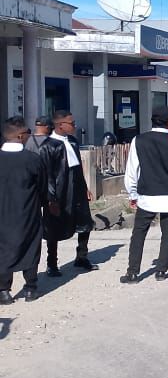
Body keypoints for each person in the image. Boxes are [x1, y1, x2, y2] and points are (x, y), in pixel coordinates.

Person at [121, 106, 168, 284]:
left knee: (138, 233)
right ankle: (161, 271)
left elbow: (132, 170)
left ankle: (133, 273)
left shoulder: (139, 140)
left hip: (147, 196)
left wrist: (133, 193)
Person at [0, 117, 46, 304]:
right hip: (27, 212)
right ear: (19, 136)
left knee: (2, 249)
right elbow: (42, 187)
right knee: (31, 247)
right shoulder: (32, 160)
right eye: (27, 133)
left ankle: (3, 291)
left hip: (2, 214)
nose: (29, 136)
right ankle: (30, 288)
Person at [48, 110, 97, 275]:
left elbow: (78, 168)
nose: (75, 126)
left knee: (85, 223)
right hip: (60, 192)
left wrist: (85, 187)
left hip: (77, 189)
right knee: (54, 227)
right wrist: (51, 197)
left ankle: (81, 257)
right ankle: (52, 264)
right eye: (72, 123)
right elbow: (47, 175)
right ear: (61, 125)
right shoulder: (48, 146)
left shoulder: (74, 142)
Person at [23, 116, 72, 276]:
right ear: (48, 127)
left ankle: (28, 265)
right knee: (52, 229)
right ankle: (52, 264)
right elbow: (61, 173)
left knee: (30, 230)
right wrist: (57, 197)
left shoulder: (25, 142)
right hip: (50, 192)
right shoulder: (56, 144)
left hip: (29, 192)